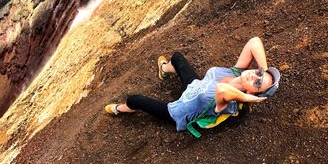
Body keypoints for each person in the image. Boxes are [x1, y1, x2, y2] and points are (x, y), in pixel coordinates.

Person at [105, 37, 280, 132]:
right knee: (176, 57)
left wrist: (248, 98)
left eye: (258, 83)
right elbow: (254, 42)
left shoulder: (231, 103)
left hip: (176, 112)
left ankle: (119, 109)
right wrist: (263, 69)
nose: (254, 76)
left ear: (253, 93)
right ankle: (164, 69)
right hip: (193, 86)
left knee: (135, 99)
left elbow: (221, 90)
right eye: (258, 74)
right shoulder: (237, 72)